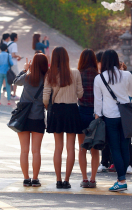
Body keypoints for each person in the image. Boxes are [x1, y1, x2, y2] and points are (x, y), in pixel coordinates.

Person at [93, 49, 132, 192]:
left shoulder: (99, 78)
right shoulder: (126, 74)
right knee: (125, 146)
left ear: (104, 61)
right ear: (117, 61)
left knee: (114, 148)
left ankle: (121, 179)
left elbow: (98, 101)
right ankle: (122, 178)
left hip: (109, 116)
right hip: (125, 116)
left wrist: (97, 116)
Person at [43, 47, 83, 189]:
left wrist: (49, 107)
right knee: (71, 147)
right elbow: (80, 94)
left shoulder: (50, 74)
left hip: (57, 110)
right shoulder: (75, 73)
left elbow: (45, 96)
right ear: (67, 58)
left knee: (58, 147)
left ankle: (58, 180)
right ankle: (67, 180)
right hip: (72, 110)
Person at [14, 53, 48, 187]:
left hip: (23, 118)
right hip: (38, 118)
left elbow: (16, 81)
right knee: (36, 151)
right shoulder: (47, 79)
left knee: (24, 150)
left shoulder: (27, 77)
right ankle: (35, 179)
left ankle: (26, 178)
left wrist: (24, 69)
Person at [77, 49, 100, 188]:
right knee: (95, 149)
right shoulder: (98, 76)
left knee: (82, 148)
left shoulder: (78, 75)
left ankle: (84, 179)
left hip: (81, 113)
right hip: (95, 115)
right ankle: (93, 179)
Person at [8, 33, 22, 99]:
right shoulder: (14, 44)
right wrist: (18, 56)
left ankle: (10, 93)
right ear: (15, 37)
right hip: (14, 64)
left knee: (10, 78)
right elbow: (13, 55)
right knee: (16, 78)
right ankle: (14, 94)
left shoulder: (8, 43)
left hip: (9, 63)